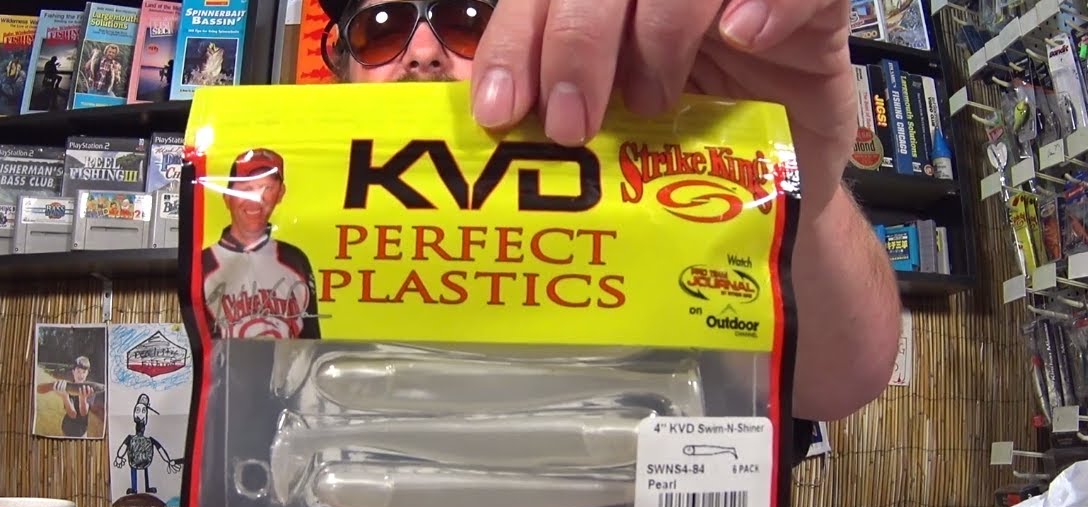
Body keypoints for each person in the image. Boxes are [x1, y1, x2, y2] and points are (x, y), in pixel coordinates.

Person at [316, 0, 902, 463]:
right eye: (381, 30)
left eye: (464, 23)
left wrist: (793, 185)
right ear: (341, 68)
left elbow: (837, 383)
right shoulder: (286, 231)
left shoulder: (641, 202)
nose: (422, 54)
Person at [201, 148, 322, 339]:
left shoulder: (294, 259)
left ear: (280, 193)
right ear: (227, 196)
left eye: (267, 188)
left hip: (285, 360)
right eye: (246, 189)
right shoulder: (203, 264)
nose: (256, 199)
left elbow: (311, 341)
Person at [36, 355, 100, 437]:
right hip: (67, 428)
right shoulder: (67, 387)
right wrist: (65, 397)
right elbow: (72, 414)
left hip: (81, 431)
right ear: (73, 372)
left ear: (87, 373)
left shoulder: (89, 389)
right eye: (78, 371)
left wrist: (83, 398)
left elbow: (83, 412)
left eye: (84, 372)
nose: (81, 375)